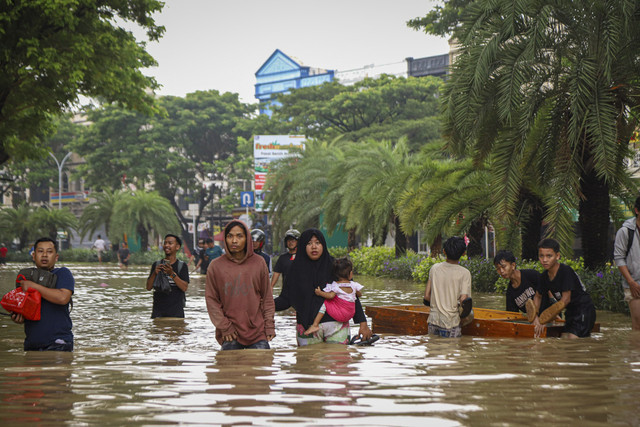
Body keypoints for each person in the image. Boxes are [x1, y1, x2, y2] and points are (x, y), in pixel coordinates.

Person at [274, 228, 372, 346]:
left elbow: (351, 294)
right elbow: (285, 299)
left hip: (336, 326)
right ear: (302, 246)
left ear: (323, 245)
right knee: (307, 362)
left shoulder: (336, 267)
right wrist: (263, 305)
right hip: (307, 328)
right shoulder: (294, 271)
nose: (314, 247)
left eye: (317, 242)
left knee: (338, 362)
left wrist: (363, 323)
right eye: (309, 243)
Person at [205, 220, 275, 350]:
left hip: (257, 332)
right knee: (229, 368)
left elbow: (267, 298)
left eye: (239, 236)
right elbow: (212, 301)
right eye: (230, 236)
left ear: (247, 238)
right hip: (230, 333)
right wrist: (225, 327)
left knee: (263, 367)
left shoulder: (259, 263)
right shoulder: (215, 266)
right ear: (225, 239)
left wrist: (269, 325)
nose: (234, 241)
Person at [10, 237, 74, 351]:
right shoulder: (25, 278)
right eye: (40, 251)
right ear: (34, 256)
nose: (44, 255)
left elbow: (63, 298)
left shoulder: (63, 273)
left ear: (56, 257)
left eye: (49, 252)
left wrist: (34, 287)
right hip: (31, 344)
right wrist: (18, 318)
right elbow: (24, 310)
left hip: (59, 343)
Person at [531, 238, 596, 338]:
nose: (544, 260)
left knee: (573, 340)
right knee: (564, 339)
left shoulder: (565, 271)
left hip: (584, 309)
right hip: (570, 312)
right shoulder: (544, 276)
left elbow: (565, 300)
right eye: (541, 256)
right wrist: (535, 318)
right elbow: (537, 296)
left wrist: (546, 319)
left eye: (549, 256)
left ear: (557, 256)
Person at [423, 236, 472, 338]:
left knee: (433, 351)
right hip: (451, 323)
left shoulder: (434, 269)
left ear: (444, 251)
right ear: (463, 253)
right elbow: (464, 300)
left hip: (433, 321)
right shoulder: (465, 273)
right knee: (451, 352)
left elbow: (427, 297)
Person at [304, 257, 363, 336]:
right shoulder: (354, 285)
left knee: (325, 303)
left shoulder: (335, 285)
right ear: (350, 274)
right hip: (350, 313)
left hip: (340, 315)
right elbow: (359, 295)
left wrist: (320, 293)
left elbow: (330, 296)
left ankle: (315, 325)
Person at [494, 249, 552, 318]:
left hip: (551, 314)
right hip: (535, 322)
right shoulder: (510, 293)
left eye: (503, 267)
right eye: (498, 268)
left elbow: (549, 287)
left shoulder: (531, 275)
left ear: (513, 265)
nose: (501, 271)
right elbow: (513, 317)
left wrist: (553, 305)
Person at [145, 234, 190, 318]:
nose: (166, 245)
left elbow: (184, 288)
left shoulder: (182, 266)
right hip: (158, 313)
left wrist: (171, 274)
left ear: (177, 247)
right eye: (165, 243)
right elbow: (148, 287)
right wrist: (155, 273)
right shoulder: (156, 264)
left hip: (176, 313)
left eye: (170, 243)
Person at [613, 196, 640, 330]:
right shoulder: (625, 232)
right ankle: (635, 350)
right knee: (638, 325)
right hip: (635, 284)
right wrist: (631, 282)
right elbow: (619, 258)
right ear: (637, 210)